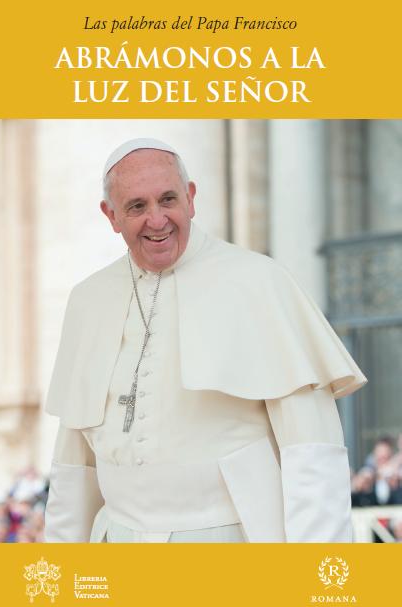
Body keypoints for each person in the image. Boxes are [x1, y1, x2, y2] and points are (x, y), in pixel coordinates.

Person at [44, 138, 367, 544]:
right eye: (137, 206)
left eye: (168, 199)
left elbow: (312, 454)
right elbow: (74, 466)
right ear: (111, 216)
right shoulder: (88, 300)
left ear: (191, 198)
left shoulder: (260, 282)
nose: (157, 220)